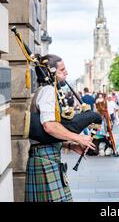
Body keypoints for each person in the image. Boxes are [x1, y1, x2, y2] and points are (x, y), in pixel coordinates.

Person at [25, 54, 95, 202]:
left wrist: (70, 145)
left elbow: (44, 134)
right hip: (45, 158)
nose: (66, 73)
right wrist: (78, 137)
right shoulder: (48, 90)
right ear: (51, 72)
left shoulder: (44, 90)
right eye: (62, 70)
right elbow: (49, 126)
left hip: (46, 156)